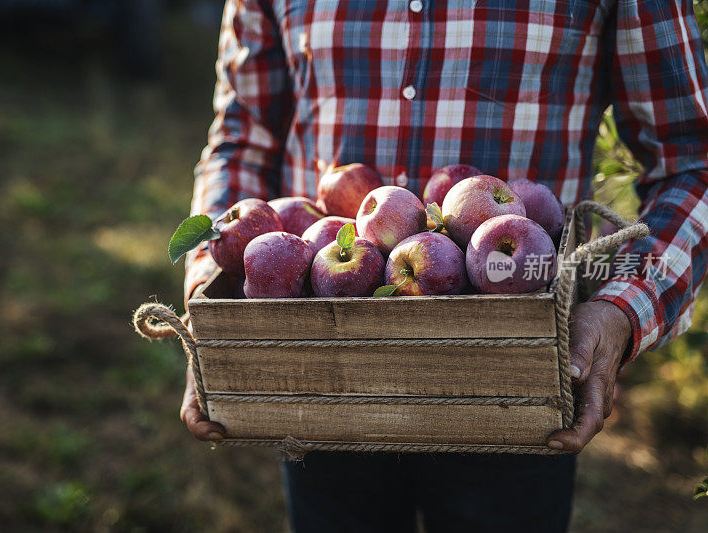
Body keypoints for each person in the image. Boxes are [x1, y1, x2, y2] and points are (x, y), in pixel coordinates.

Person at [180, 1, 708, 531]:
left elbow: (693, 159)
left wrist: (620, 312)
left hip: (515, 370)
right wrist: (210, 296)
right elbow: (241, 143)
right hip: (321, 364)